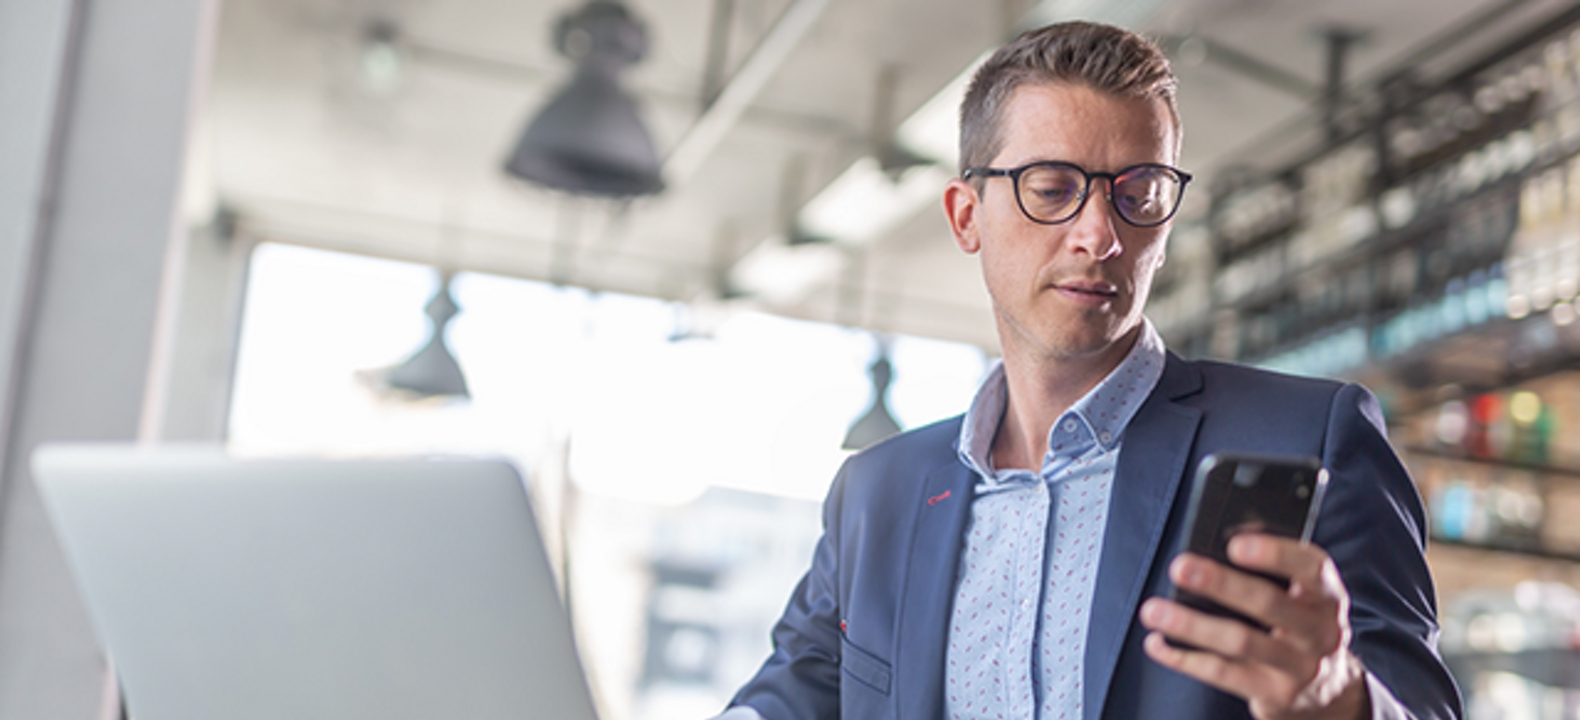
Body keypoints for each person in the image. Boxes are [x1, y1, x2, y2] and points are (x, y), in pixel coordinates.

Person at [718, 20, 1462, 720]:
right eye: (1052, 189)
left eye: (1138, 195)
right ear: (965, 216)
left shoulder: (1312, 437)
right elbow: (795, 691)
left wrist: (1338, 699)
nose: (1101, 235)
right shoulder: (876, 493)